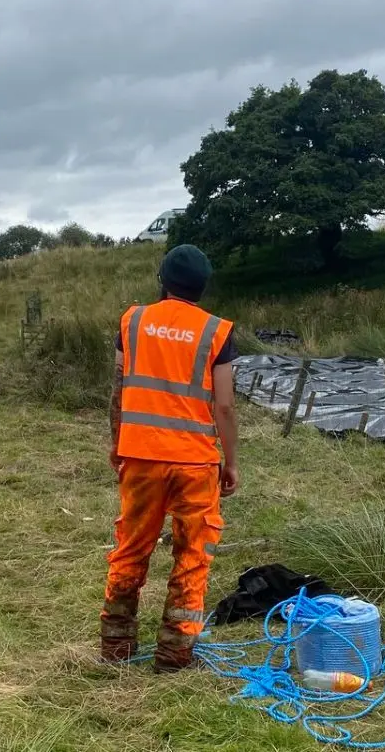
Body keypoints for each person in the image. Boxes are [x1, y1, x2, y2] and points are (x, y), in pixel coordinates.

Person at [100, 243, 240, 671]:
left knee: (131, 549)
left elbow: (120, 389)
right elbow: (226, 406)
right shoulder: (217, 331)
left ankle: (116, 648)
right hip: (195, 464)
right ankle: (175, 654)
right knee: (192, 556)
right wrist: (229, 462)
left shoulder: (133, 320)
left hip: (140, 457)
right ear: (202, 287)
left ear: (162, 280)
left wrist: (117, 442)